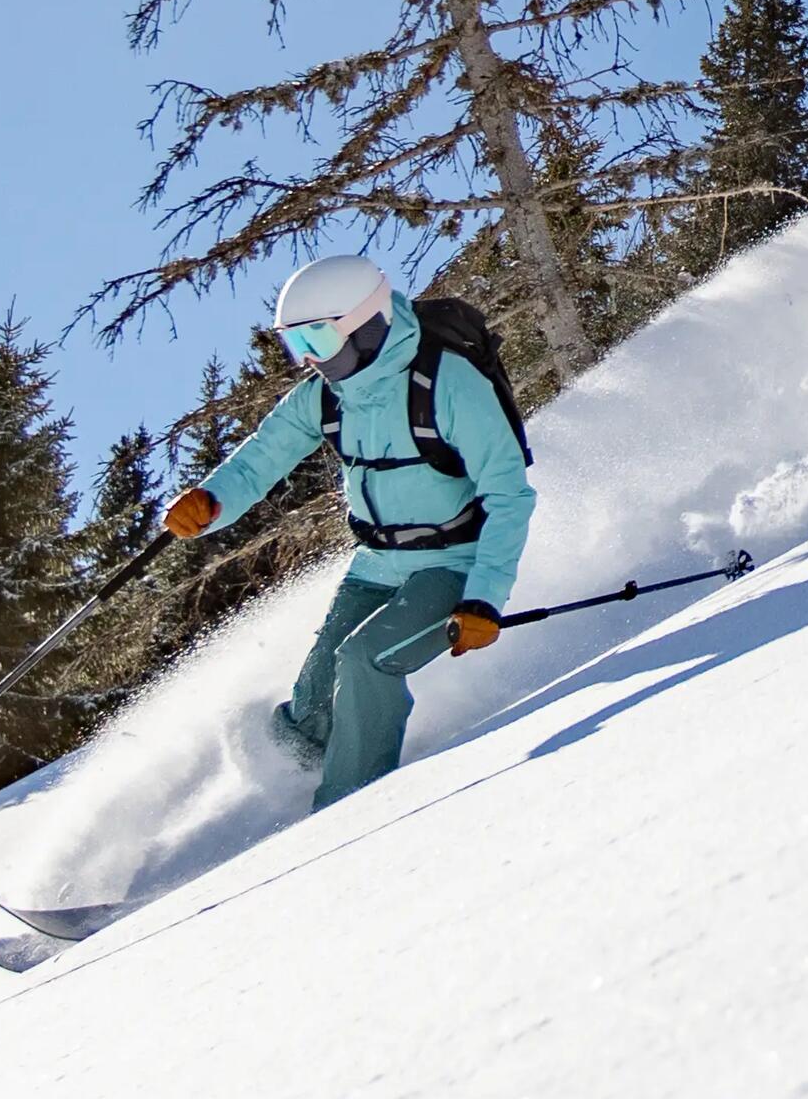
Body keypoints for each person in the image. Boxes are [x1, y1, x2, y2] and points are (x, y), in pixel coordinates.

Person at [164, 255, 536, 810]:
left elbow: (509, 497)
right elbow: (260, 459)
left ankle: (344, 813)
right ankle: (269, 803)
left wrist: (485, 598)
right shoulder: (325, 396)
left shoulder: (448, 384)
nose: (310, 358)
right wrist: (211, 501)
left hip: (455, 562)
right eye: (298, 344)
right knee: (314, 696)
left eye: (318, 337)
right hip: (377, 563)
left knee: (367, 661)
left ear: (368, 324)